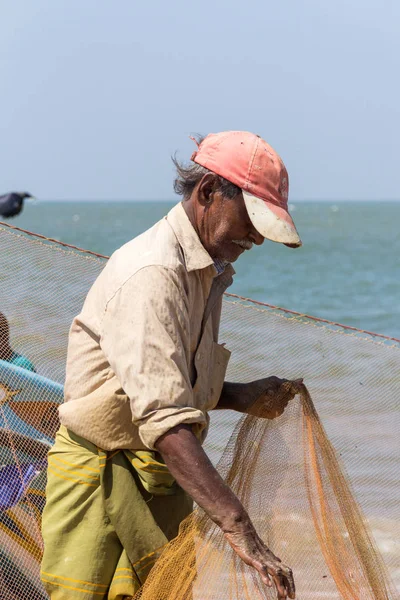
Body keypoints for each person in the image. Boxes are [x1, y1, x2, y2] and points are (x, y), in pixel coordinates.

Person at [41, 131, 303, 600]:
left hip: (158, 475)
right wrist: (238, 526)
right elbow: (164, 419)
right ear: (207, 192)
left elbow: (165, 381)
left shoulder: (206, 268)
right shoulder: (153, 273)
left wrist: (239, 395)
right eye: (251, 220)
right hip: (100, 480)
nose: (257, 238)